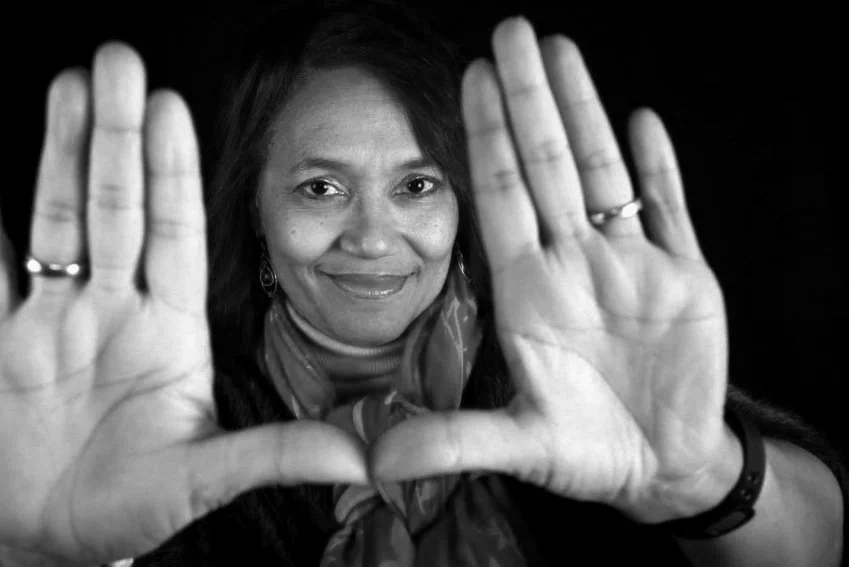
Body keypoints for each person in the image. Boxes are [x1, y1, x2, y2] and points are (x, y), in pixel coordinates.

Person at [0, 1, 845, 566]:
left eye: (415, 184)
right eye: (319, 188)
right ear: (253, 208)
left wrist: (698, 479)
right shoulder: (149, 415)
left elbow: (819, 545)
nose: (372, 236)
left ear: (461, 200)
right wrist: (34, 553)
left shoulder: (577, 366)